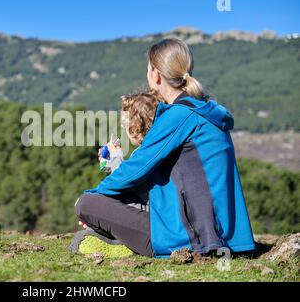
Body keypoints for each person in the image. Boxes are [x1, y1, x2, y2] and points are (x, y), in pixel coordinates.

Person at [70, 38, 256, 258]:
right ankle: (119, 237)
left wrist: (94, 196)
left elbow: (136, 170)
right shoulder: (207, 112)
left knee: (87, 204)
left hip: (188, 239)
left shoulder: (179, 115)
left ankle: (119, 244)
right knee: (115, 201)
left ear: (156, 75)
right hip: (226, 236)